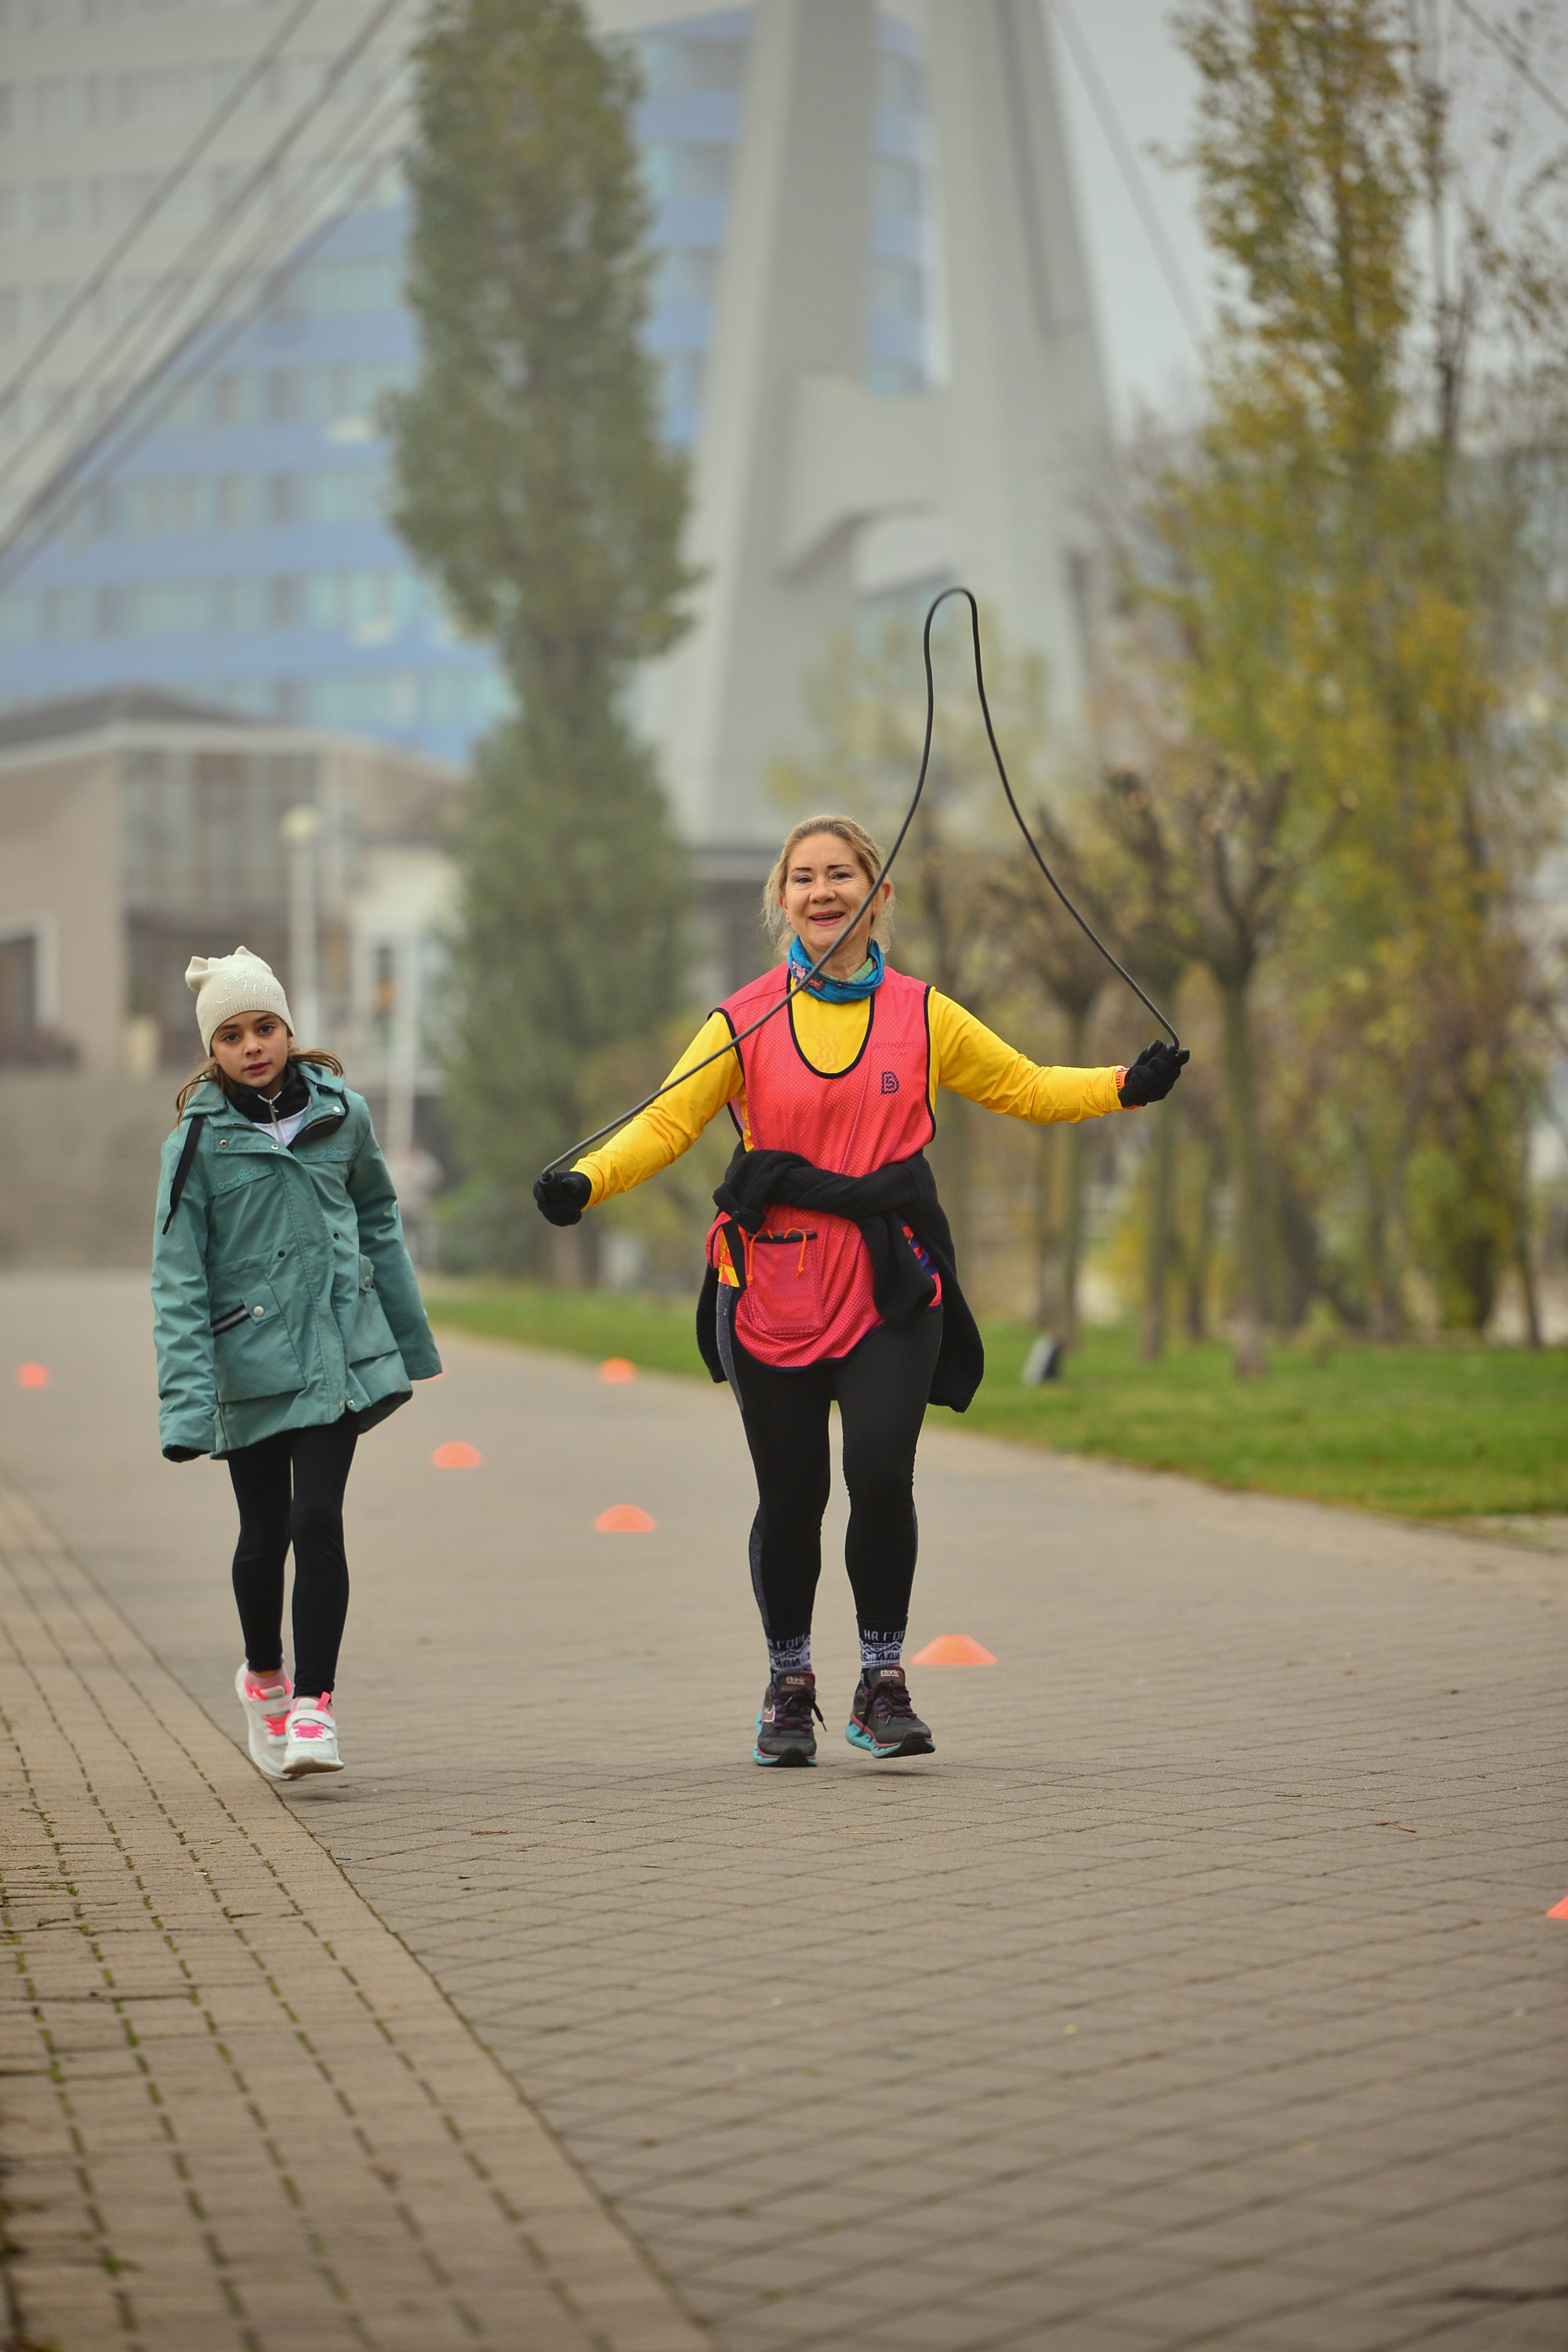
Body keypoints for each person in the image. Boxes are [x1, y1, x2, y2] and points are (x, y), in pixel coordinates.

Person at [535, 817, 1185, 1767]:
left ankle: (882, 1681)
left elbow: (1027, 1087)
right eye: (803, 879)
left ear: (878, 896)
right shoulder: (742, 1019)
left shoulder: (926, 1016)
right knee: (790, 1496)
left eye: (842, 875)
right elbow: (666, 1124)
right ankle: (786, 1683)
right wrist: (585, 1182)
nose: (823, 891)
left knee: (880, 1478)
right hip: (771, 1289)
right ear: (781, 901)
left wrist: (1125, 1085)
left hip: (887, 1284)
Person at [151, 947, 442, 1780]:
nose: (254, 1046)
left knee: (318, 1520)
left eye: (266, 1027)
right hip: (248, 1362)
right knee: (263, 1534)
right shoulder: (196, 1143)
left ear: (289, 1029)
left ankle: (314, 1707)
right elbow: (176, 1276)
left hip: (336, 1356)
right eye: (234, 1034)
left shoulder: (342, 1112)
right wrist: (184, 1405)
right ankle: (264, 1678)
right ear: (213, 1049)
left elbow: (379, 1220)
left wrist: (408, 1343)